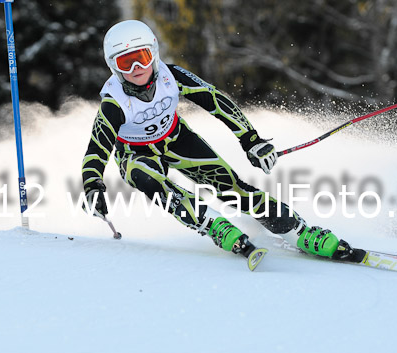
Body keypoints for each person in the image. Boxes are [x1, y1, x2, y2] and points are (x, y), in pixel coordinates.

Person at [82, 20, 360, 269]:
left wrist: (250, 140)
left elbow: (216, 101)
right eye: (125, 63)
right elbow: (97, 148)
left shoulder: (172, 77)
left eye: (141, 58)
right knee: (151, 181)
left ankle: (299, 232)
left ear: (153, 53)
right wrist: (93, 185)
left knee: (233, 188)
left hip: (178, 139)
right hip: (134, 154)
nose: (136, 69)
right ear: (113, 67)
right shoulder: (114, 102)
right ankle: (213, 224)